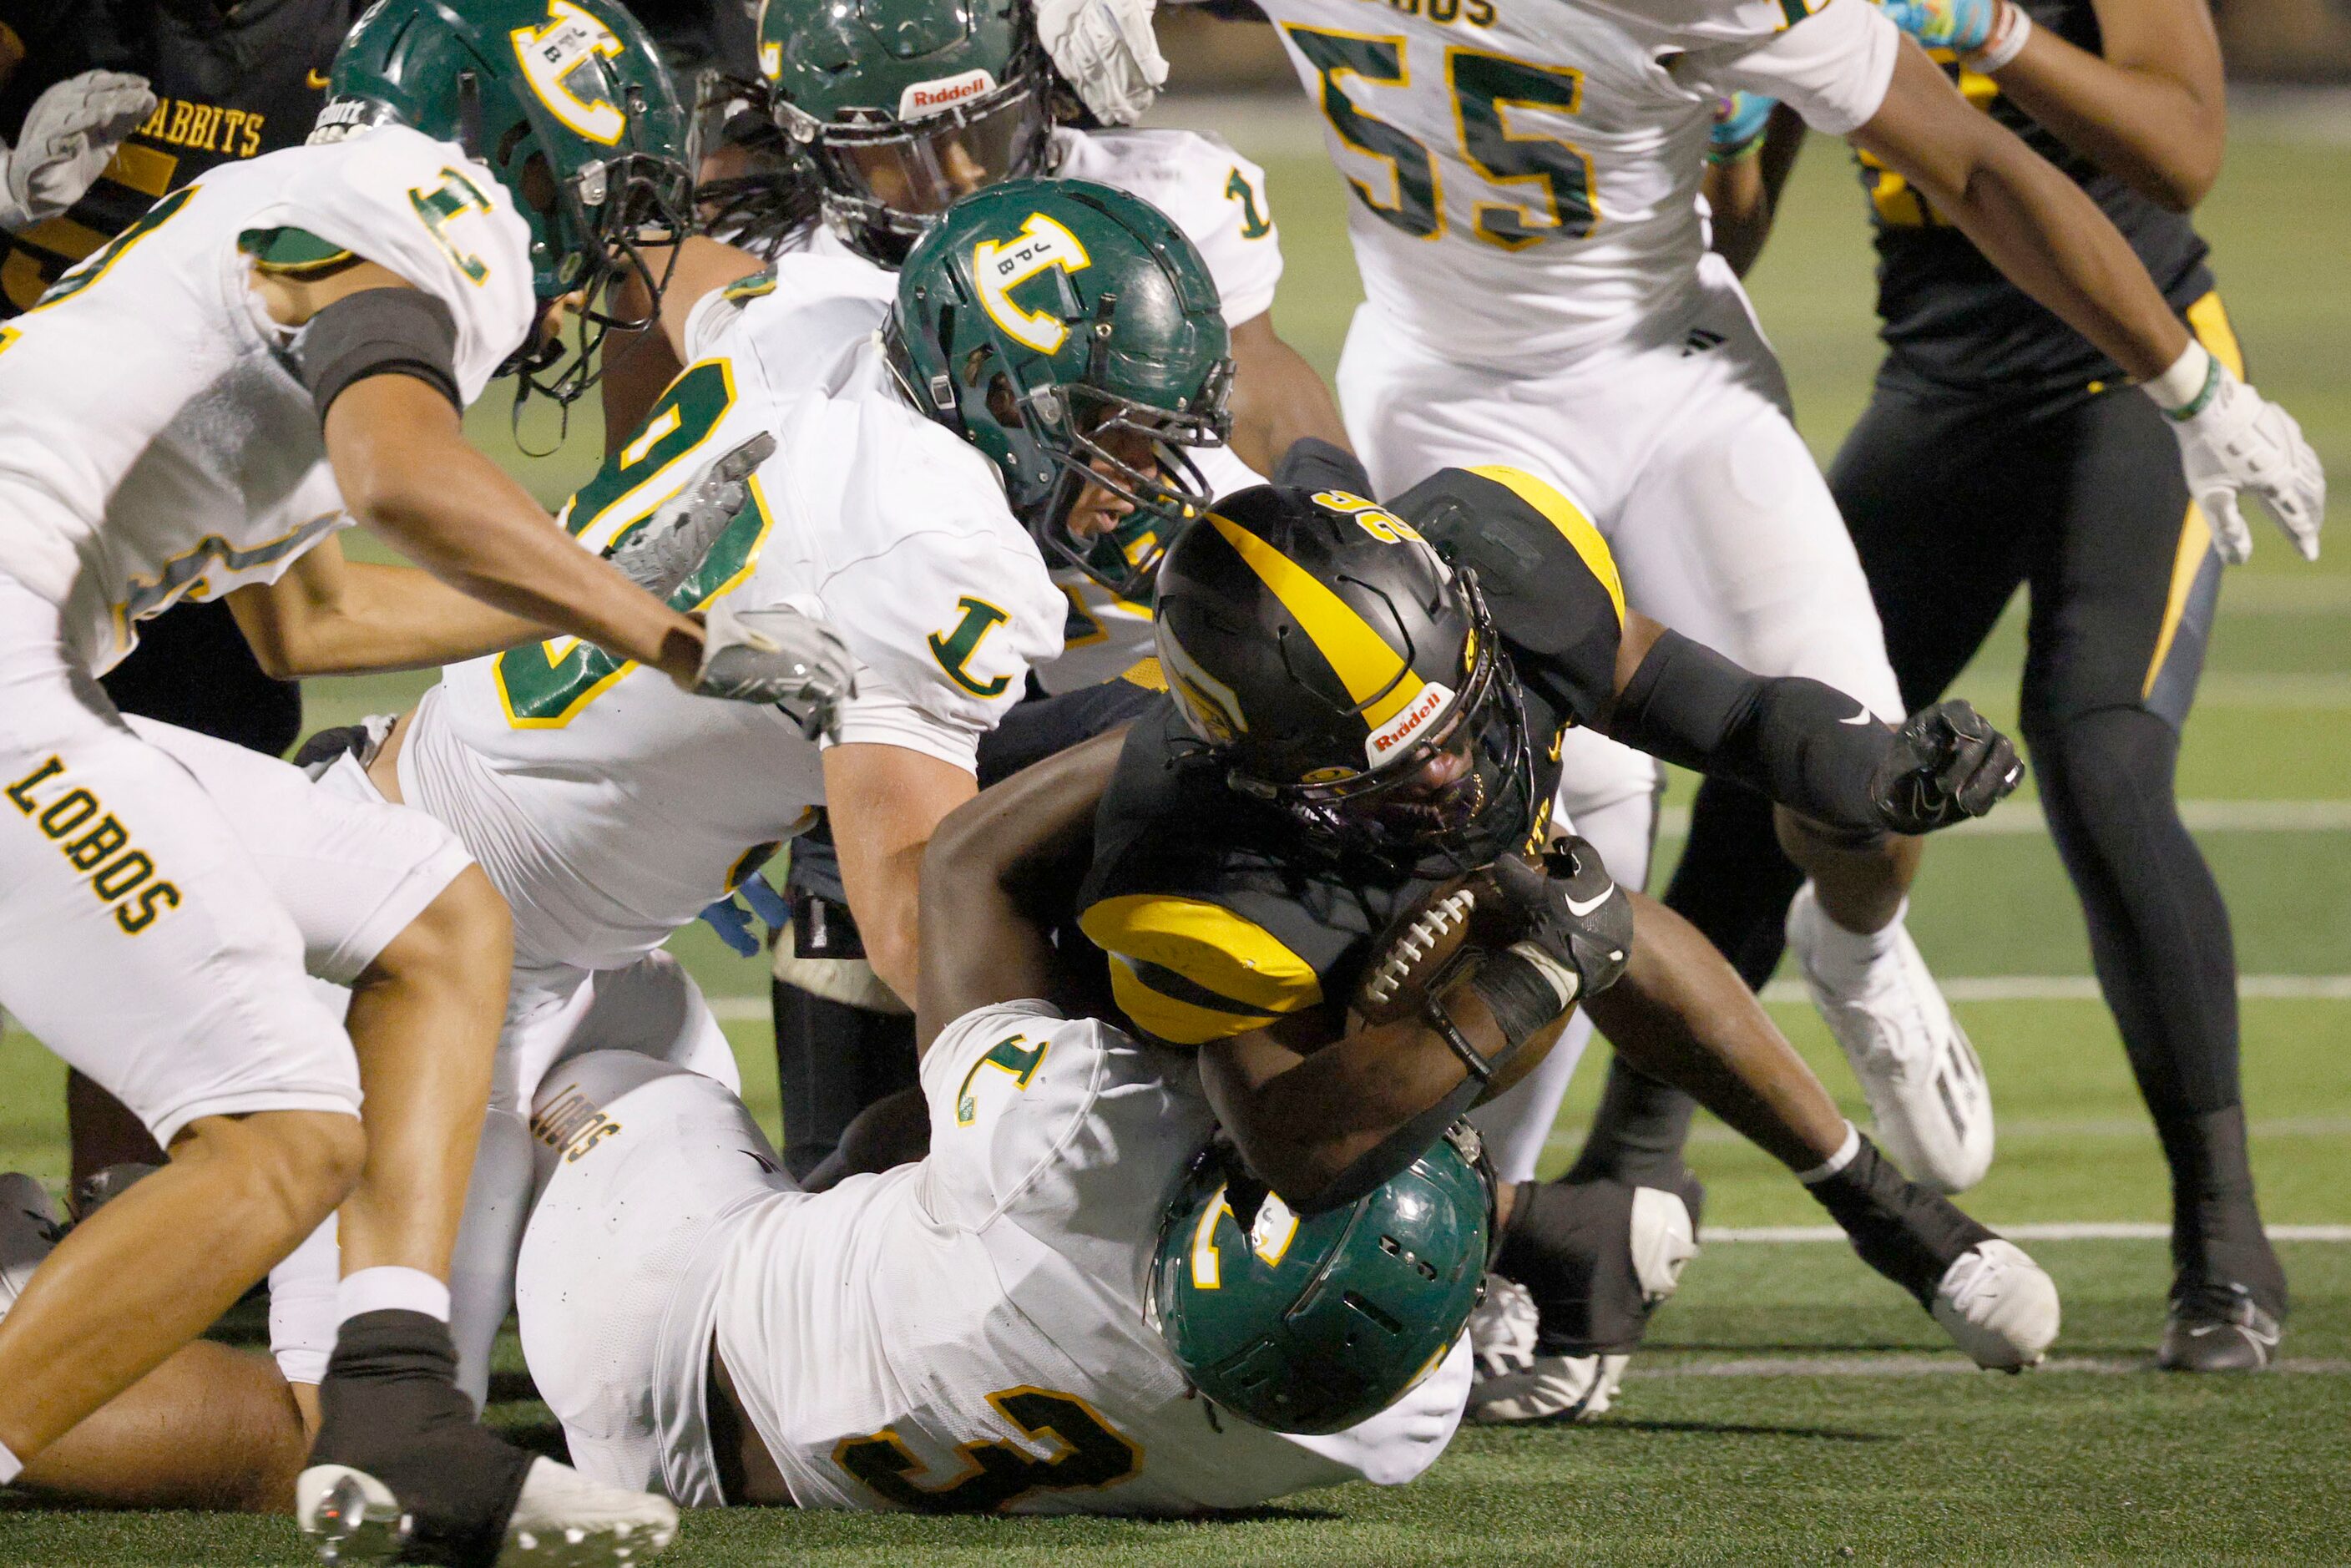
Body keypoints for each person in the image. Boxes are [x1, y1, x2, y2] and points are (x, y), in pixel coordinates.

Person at [1037, 0, 2326, 1225]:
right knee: (1498, 823)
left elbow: (1972, 161)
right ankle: (1483, 1214)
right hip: (1442, 389)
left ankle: (1859, 949)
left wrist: (2190, 383)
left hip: (1665, 376)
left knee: (1858, 770)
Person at [0, 0, 854, 1556]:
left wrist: (598, 575)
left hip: (32, 664)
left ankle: (391, 1403)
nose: (614, 244)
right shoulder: (422, 202)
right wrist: (666, 632)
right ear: (523, 150)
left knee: (436, 911)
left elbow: (313, 616)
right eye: (607, 193)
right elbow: (404, 473)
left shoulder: (298, 208)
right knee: (284, 1124)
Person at [0, 731, 1505, 1518]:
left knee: (585, 981)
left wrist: (1197, 752)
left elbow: (970, 865)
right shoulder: (1389, 1436)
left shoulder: (1080, 1146)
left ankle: (151, 1238)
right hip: (773, 1447)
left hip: (654, 1301)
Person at [283, 176, 1234, 1409]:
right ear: (1008, 397)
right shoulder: (935, 541)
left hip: (562, 945)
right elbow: (914, 931)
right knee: (342, 1441)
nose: (1148, 479)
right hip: (418, 959)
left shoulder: (822, 327)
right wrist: (1149, 1054)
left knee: (691, 1324)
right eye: (1124, 436)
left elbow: (666, 274)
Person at [1075, 476, 2060, 1419]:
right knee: (1274, 1321)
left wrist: (1876, 768)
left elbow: (1728, 712)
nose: (1455, 767)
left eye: (1456, 711)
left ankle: (1886, 1212)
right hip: (1120, 1074)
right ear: (1271, 776)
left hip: (1373, 922)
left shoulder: (1499, 573)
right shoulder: (1200, 867)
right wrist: (1517, 985)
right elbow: (1292, 1148)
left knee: (1579, 904)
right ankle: (1530, 1252)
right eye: (1398, 765)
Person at [1681, 0, 2297, 1372]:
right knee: (1772, 740)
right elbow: (1735, 222)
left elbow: (2183, 149)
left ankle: (2224, 1238)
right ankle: (1629, 1174)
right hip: (1942, 390)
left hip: (2132, 374)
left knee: (2101, 756)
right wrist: (1717, 134)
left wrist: (1993, 32)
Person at [712, 0, 1353, 1181]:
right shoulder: (794, 324)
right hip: (945, 736)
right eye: (887, 149)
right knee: (861, 1182)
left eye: (974, 130)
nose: (948, 180)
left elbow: (1264, 387)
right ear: (809, 146)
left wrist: (1342, 526)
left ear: (1041, 84)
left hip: (1161, 681)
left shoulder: (1162, 194)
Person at [0, 0, 361, 1186]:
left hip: (190, 483)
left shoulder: (351, 34)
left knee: (174, 862)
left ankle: (136, 1190)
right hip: (28, 464)